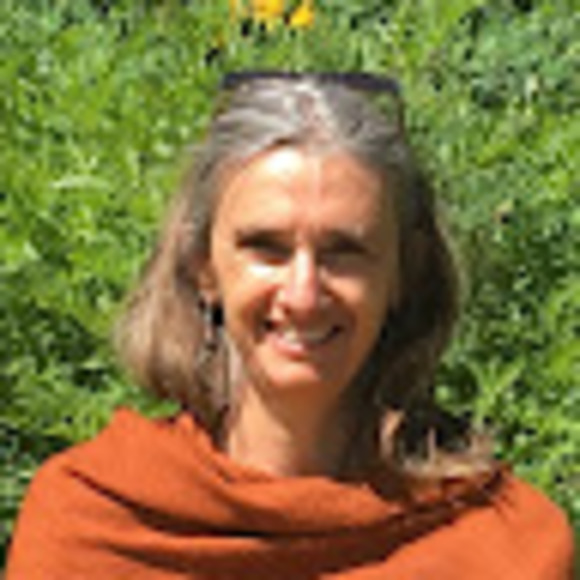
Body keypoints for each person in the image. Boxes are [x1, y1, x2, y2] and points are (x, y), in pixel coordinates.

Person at [6, 71, 574, 579]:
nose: (303, 294)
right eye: (267, 247)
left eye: (344, 251)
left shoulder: (507, 545)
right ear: (203, 266)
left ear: (405, 271)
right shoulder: (88, 524)